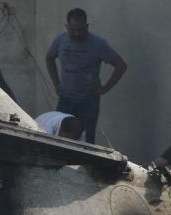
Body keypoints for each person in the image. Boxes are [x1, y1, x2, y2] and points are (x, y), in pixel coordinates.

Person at [45, 8, 127, 144]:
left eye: (80, 30)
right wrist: (56, 83)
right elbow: (49, 58)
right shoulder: (61, 40)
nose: (76, 33)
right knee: (60, 138)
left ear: (87, 26)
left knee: (87, 140)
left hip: (88, 100)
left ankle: (85, 165)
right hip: (65, 99)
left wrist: (105, 88)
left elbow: (121, 65)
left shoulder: (98, 44)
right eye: (73, 30)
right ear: (67, 27)